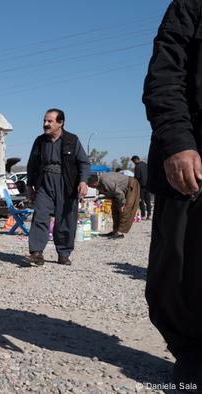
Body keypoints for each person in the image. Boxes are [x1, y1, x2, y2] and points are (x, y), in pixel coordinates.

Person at [142, 0, 202, 387]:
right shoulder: (190, 6)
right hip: (192, 159)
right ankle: (193, 358)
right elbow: (164, 78)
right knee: (179, 269)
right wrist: (178, 143)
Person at [25, 108, 89, 266]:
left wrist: (83, 181)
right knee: (40, 216)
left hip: (66, 184)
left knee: (66, 219)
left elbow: (83, 162)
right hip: (44, 183)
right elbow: (32, 164)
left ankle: (64, 253)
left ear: (60, 123)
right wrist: (29, 186)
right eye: (44, 121)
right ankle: (37, 253)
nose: (45, 124)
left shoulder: (72, 140)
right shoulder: (40, 141)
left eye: (49, 121)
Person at [86, 172, 140, 239]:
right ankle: (115, 231)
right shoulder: (99, 184)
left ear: (95, 183)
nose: (89, 187)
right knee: (114, 208)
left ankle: (120, 232)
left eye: (90, 185)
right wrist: (99, 198)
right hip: (118, 193)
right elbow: (110, 193)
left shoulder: (105, 181)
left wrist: (121, 205)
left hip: (131, 185)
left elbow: (119, 194)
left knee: (125, 209)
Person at [131, 155, 152, 220]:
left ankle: (143, 215)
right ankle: (149, 214)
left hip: (141, 186)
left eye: (133, 161)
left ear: (135, 160)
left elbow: (137, 177)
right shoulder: (146, 165)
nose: (134, 163)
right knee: (148, 201)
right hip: (148, 185)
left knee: (141, 200)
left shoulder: (137, 166)